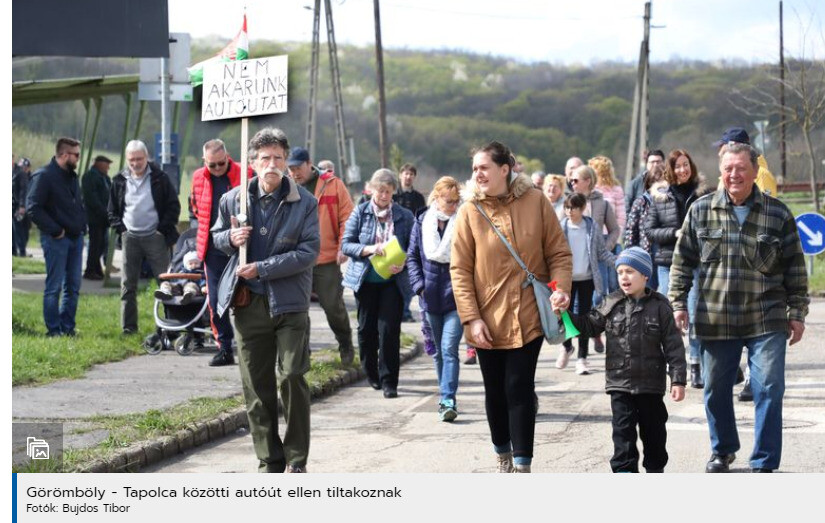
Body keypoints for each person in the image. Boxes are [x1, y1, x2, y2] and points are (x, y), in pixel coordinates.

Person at [669, 142, 808, 473]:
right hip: (716, 317)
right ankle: (723, 449)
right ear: (721, 171)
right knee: (716, 390)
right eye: (728, 168)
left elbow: (795, 268)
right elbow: (682, 261)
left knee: (770, 388)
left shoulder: (777, 213)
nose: (734, 175)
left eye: (741, 168)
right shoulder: (701, 210)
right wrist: (677, 302)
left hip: (767, 316)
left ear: (754, 171)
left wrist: (797, 312)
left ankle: (764, 460)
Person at [451, 141, 572, 473]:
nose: (477, 173)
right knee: (496, 391)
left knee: (519, 387)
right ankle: (502, 452)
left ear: (505, 169)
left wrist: (561, 289)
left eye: (484, 167)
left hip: (529, 312)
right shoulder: (469, 211)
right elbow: (459, 270)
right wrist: (471, 319)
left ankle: (522, 466)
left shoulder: (535, 201)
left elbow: (559, 253)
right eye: (474, 168)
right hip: (485, 318)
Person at [212, 127, 320, 473]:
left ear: (286, 161)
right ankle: (269, 460)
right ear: (252, 163)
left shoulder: (305, 202)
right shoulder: (233, 199)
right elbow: (216, 238)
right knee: (256, 388)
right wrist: (231, 236)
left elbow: (308, 252)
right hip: (247, 304)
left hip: (289, 303)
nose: (271, 164)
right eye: (264, 158)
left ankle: (297, 459)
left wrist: (264, 268)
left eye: (277, 158)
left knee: (292, 376)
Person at [567, 247, 686, 473]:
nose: (623, 277)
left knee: (655, 437)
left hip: (651, 386)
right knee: (622, 436)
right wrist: (564, 312)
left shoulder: (660, 306)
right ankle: (624, 471)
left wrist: (678, 380)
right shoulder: (611, 302)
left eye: (630, 271)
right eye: (620, 272)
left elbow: (674, 347)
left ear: (645, 275)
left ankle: (655, 471)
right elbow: (586, 326)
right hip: (619, 385)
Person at [712, 127, 778, 401]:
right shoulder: (725, 175)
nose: (720, 150)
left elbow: (761, 217)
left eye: (724, 145)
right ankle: (738, 373)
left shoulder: (761, 175)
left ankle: (754, 379)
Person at [342, 169, 414, 399]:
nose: (384, 196)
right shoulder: (360, 212)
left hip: (392, 282)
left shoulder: (404, 216)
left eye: (389, 192)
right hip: (365, 280)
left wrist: (403, 263)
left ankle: (389, 381)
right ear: (372, 189)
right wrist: (369, 249)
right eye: (381, 190)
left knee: (389, 331)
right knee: (366, 330)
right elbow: (346, 245)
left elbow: (414, 248)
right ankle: (370, 371)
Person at [645, 149, 709, 388]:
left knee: (693, 313)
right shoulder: (660, 197)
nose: (683, 169)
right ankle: (669, 363)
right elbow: (650, 231)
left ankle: (695, 366)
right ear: (670, 170)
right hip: (668, 264)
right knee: (669, 317)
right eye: (678, 166)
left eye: (686, 164)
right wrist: (675, 233)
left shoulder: (703, 195)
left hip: (695, 263)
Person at [287, 146, 355, 365]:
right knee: (298, 310)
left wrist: (344, 246)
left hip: (325, 258)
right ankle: (302, 355)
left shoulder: (333, 185)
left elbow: (347, 217)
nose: (294, 173)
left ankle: (345, 343)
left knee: (332, 306)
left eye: (297, 168)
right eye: (290, 169)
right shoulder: (285, 186)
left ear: (309, 164)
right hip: (296, 260)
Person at [189, 138, 252, 366]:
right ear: (204, 162)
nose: (216, 169)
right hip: (212, 247)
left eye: (220, 164)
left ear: (228, 158)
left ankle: (255, 346)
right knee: (215, 302)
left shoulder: (246, 173)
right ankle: (224, 347)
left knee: (249, 299)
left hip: (241, 246)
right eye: (211, 165)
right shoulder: (198, 177)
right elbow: (196, 207)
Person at [108, 140, 181, 335]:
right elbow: (111, 211)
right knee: (127, 285)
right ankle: (128, 328)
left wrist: (161, 230)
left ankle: (169, 328)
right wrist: (121, 229)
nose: (135, 163)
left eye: (139, 159)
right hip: (129, 237)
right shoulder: (119, 180)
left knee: (165, 284)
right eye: (131, 160)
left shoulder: (160, 178)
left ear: (146, 157)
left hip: (155, 237)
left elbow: (173, 206)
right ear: (126, 159)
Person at [407, 176, 463, 421]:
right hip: (429, 297)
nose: (452, 206)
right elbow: (412, 257)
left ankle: (448, 398)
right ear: (437, 198)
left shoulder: (463, 221)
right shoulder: (422, 221)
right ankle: (444, 396)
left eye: (456, 201)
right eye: (448, 201)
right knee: (439, 352)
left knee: (449, 348)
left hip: (456, 298)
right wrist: (419, 286)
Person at [26, 137, 87, 336]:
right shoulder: (44, 176)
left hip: (76, 238)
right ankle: (53, 330)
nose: (78, 158)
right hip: (56, 240)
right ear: (64, 154)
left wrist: (82, 225)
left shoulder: (71, 176)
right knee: (54, 287)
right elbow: (33, 208)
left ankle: (67, 328)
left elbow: (76, 204)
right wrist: (55, 230)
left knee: (73, 287)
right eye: (76, 155)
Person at [556, 193, 615, 375]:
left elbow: (601, 252)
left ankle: (582, 358)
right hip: (567, 280)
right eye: (566, 207)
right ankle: (567, 346)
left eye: (573, 207)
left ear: (582, 209)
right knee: (564, 316)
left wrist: (619, 262)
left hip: (587, 279)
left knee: (583, 317)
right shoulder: (561, 228)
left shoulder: (591, 227)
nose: (569, 211)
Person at [570, 163, 620, 353]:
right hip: (576, 260)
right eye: (571, 180)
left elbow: (615, 229)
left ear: (587, 181)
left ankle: (596, 332)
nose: (572, 183)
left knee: (599, 296)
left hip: (598, 259)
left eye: (576, 180)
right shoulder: (570, 202)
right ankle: (578, 338)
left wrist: (605, 247)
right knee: (576, 302)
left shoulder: (602, 203)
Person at [624, 164, 668, 290]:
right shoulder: (641, 202)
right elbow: (631, 230)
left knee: (665, 289)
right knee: (648, 289)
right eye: (656, 183)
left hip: (664, 251)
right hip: (646, 252)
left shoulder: (669, 201)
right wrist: (630, 254)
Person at [393, 163, 426, 322]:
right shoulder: (393, 195)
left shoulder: (418, 198)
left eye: (411, 174)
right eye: (405, 174)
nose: (408, 177)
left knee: (408, 278)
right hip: (393, 240)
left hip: (412, 241)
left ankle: (405, 312)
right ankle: (398, 311)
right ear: (400, 175)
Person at [713, 127, 777, 197]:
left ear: (735, 147)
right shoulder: (725, 176)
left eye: (722, 147)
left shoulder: (762, 175)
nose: (719, 153)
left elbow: (767, 206)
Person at [81, 155, 113, 280]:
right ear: (99, 164)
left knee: (101, 244)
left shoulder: (105, 178)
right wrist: (102, 211)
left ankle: (97, 269)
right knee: (95, 244)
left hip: (104, 218)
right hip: (95, 217)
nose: (108, 167)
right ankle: (90, 270)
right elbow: (91, 198)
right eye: (106, 164)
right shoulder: (90, 177)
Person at [625, 149, 664, 221]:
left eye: (658, 162)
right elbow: (627, 211)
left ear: (664, 163)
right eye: (652, 162)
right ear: (647, 164)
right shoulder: (635, 184)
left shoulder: (670, 183)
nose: (655, 165)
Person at [13, 157, 32, 257]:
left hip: (28, 207)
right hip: (19, 206)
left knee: (26, 228)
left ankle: (22, 248)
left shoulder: (32, 178)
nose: (23, 169)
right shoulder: (17, 175)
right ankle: (20, 250)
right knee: (17, 228)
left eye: (25, 167)